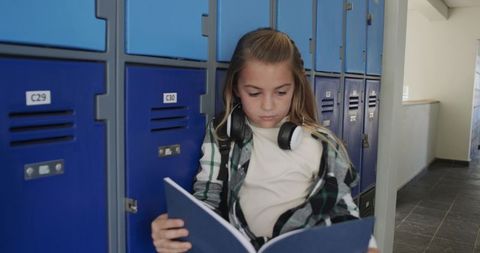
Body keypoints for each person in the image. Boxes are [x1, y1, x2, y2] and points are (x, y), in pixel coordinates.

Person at [151, 28, 378, 253]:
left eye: (281, 92)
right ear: (236, 88)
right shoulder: (222, 134)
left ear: (296, 88)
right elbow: (206, 200)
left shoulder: (320, 142)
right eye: (254, 93)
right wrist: (176, 230)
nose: (268, 106)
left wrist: (366, 245)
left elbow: (343, 209)